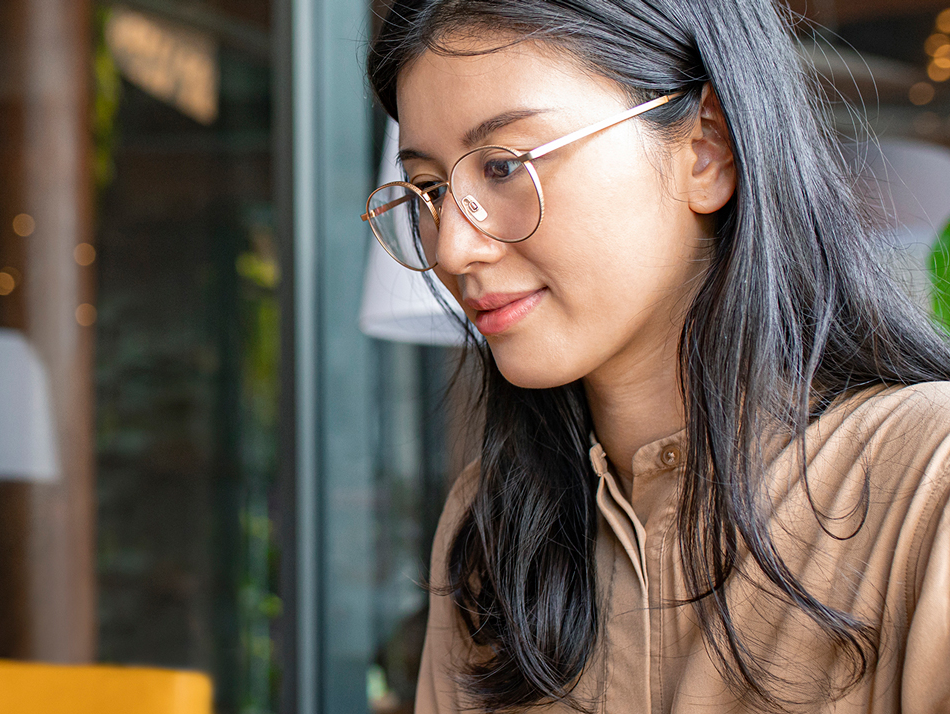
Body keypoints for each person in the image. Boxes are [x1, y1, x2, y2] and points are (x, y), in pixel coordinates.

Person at [359, 1, 950, 712]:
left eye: (505, 165)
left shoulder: (928, 485)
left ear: (708, 148)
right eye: (428, 189)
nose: (452, 247)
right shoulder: (490, 527)